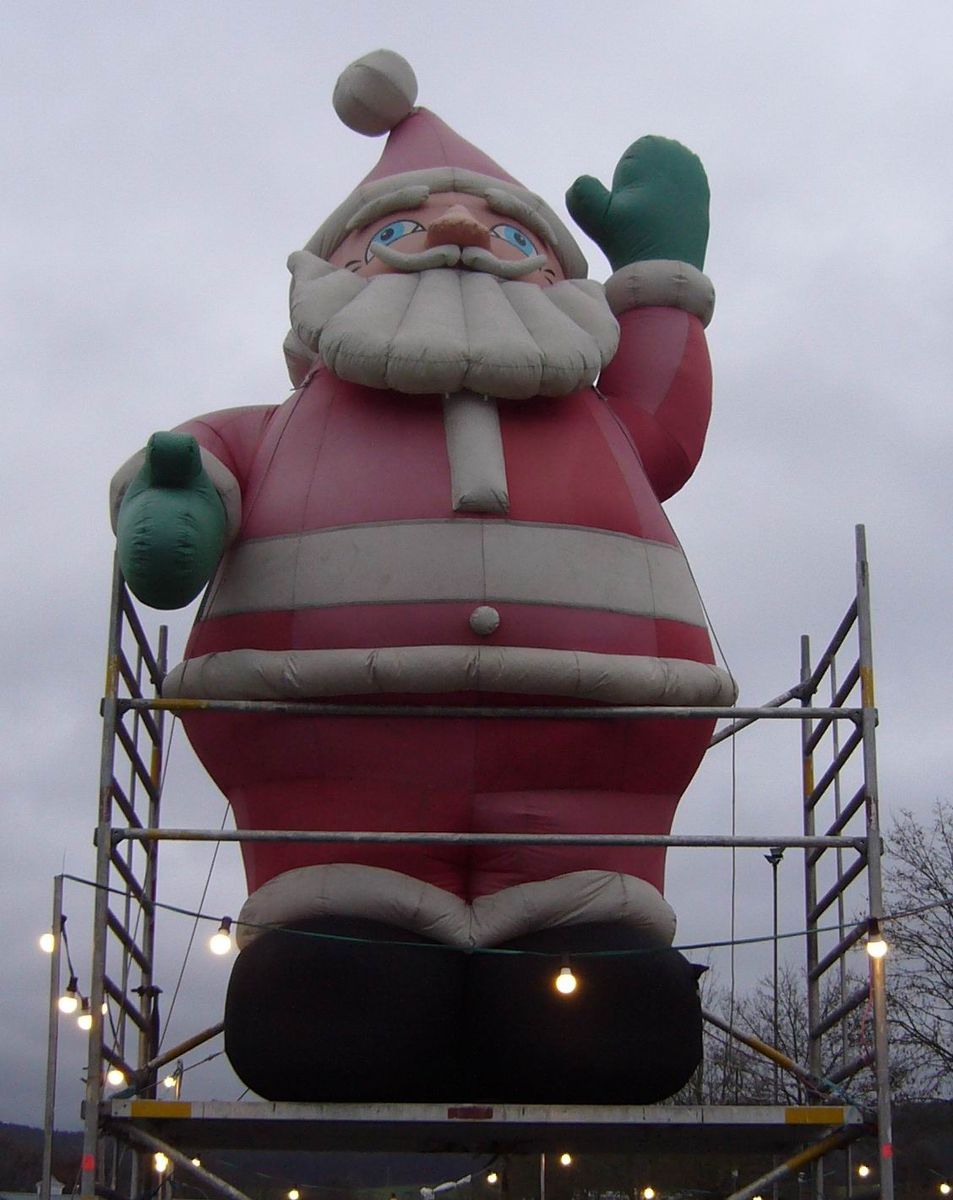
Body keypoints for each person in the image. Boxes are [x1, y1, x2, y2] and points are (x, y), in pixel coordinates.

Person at [112, 49, 733, 1103]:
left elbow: (665, 424)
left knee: (598, 995)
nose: (457, 235)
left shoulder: (601, 420)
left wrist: (660, 278)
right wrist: (176, 504)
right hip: (333, 767)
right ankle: (339, 941)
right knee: (337, 987)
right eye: (399, 232)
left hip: (591, 769)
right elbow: (195, 471)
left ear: (561, 282)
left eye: (511, 237)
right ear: (326, 280)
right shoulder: (278, 428)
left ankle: (581, 939)